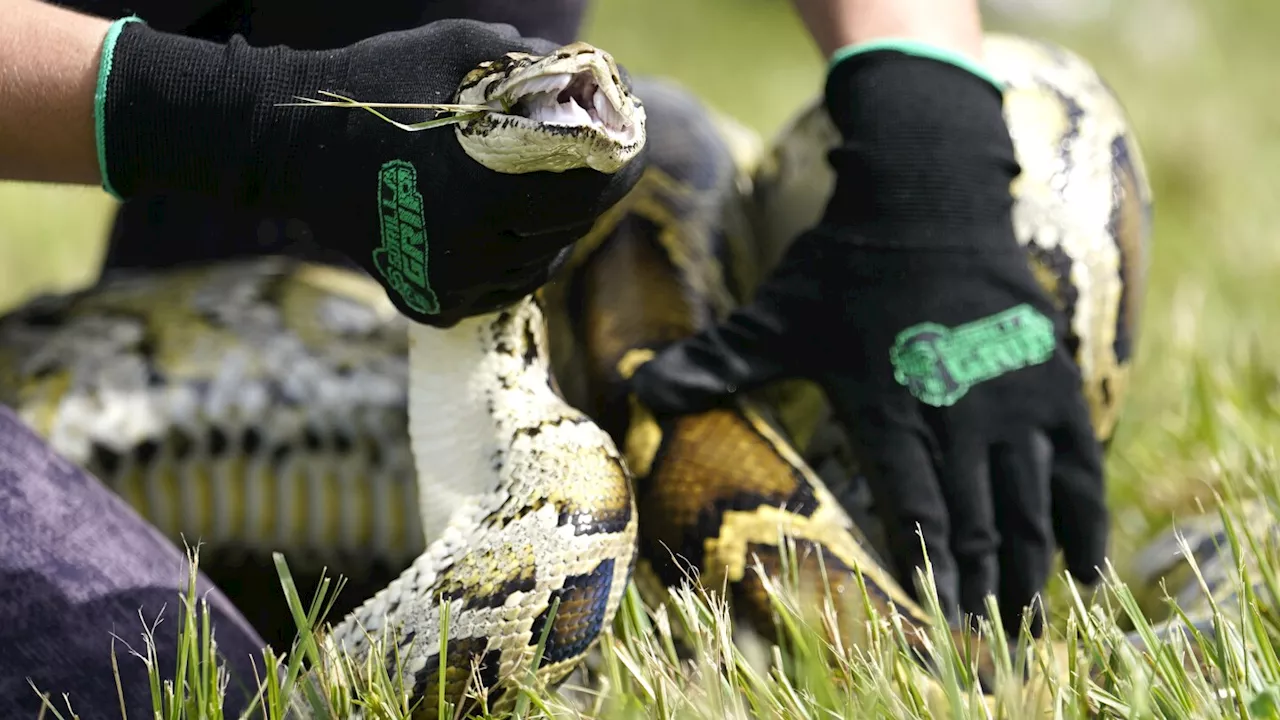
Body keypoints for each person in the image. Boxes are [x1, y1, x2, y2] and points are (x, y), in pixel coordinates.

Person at [0, 0, 1107, 715]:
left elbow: (933, 110)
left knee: (1042, 148)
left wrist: (927, 147)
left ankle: (848, 569)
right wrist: (228, 120)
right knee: (151, 689)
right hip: (224, 212)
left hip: (471, 269)